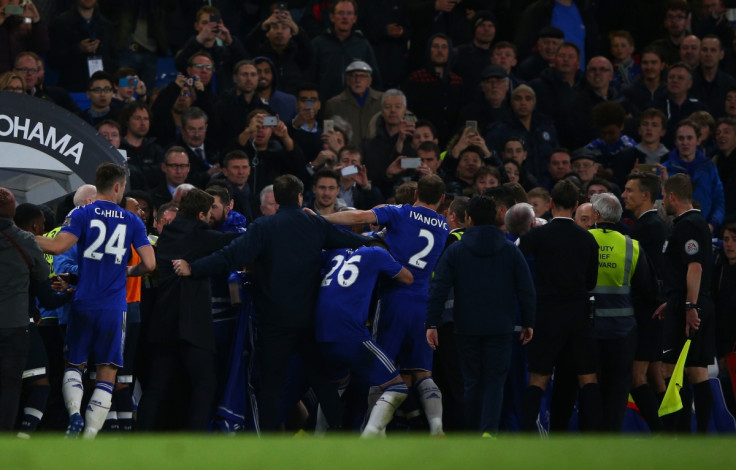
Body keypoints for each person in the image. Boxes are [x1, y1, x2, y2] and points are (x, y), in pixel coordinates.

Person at [172, 174, 370, 431]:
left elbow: (230, 256)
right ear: (300, 196)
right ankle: (341, 432)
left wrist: (193, 268)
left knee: (271, 384)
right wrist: (380, 241)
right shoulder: (314, 224)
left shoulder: (264, 227)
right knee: (320, 379)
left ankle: (267, 438)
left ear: (275, 198)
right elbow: (350, 240)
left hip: (274, 320)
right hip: (309, 318)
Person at [321, 174, 450, 436]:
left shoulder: (399, 212)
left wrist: (321, 219)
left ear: (416, 195)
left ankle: (373, 430)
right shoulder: (444, 226)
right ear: (443, 199)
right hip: (423, 303)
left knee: (382, 370)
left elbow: (359, 217)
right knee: (423, 371)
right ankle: (437, 426)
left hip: (393, 298)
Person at [35, 163, 155, 438]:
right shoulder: (132, 220)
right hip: (114, 307)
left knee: (74, 366)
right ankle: (89, 437)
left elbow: (56, 247)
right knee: (107, 371)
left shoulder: (82, 213)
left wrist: (20, 236)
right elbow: (149, 264)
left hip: (83, 302)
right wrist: (128, 271)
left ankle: (75, 413)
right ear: (117, 186)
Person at [426, 195, 535, 437]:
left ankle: (472, 431)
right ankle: (489, 432)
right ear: (497, 217)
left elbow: (438, 288)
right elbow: (526, 289)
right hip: (501, 325)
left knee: (472, 381)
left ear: (469, 219)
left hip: (466, 325)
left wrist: (432, 322)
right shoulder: (509, 249)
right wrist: (528, 322)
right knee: (495, 381)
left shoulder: (455, 250)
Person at [136, 189, 239, 431]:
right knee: (205, 384)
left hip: (163, 321)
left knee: (156, 388)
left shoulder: (169, 232)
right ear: (202, 214)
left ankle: (139, 438)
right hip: (191, 325)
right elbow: (231, 242)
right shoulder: (199, 234)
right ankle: (193, 441)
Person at [518, 180, 601, 433]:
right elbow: (591, 282)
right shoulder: (587, 240)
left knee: (539, 378)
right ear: (576, 206)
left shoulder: (535, 236)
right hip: (578, 315)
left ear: (551, 203)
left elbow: (518, 266)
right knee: (587, 377)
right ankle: (595, 438)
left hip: (546, 315)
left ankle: (523, 437)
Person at [314, 243, 414, 437]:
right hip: (350, 334)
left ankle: (318, 437)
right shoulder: (376, 253)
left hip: (320, 333)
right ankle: (368, 438)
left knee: (336, 386)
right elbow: (407, 278)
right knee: (397, 387)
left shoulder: (334, 252)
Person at [588, 192, 654, 432]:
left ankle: (591, 438)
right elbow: (646, 288)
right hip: (622, 330)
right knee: (618, 389)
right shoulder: (631, 245)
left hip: (589, 328)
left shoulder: (583, 239)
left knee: (590, 385)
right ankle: (612, 438)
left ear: (595, 214)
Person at [655, 173, 716, 433]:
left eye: (663, 196)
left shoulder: (687, 225)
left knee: (672, 370)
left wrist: (689, 306)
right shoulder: (694, 223)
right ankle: (695, 436)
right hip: (689, 301)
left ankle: (677, 434)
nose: (662, 202)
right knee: (695, 371)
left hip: (690, 306)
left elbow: (695, 268)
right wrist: (675, 300)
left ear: (671, 196)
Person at [621, 172, 669, 432]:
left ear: (645, 195)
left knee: (635, 377)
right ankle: (673, 429)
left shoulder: (644, 229)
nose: (624, 195)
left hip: (645, 312)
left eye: (629, 191)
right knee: (654, 375)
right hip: (655, 309)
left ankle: (660, 431)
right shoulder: (657, 225)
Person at [309, 0, 381, 102]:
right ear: (332, 17)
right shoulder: (318, 44)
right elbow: (308, 82)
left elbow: (375, 80)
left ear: (354, 18)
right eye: (341, 13)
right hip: (326, 109)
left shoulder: (363, 45)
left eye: (349, 13)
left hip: (357, 109)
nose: (345, 17)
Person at [662, 120, 725, 232]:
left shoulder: (709, 167)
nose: (685, 142)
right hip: (674, 231)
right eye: (681, 138)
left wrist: (712, 224)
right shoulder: (664, 169)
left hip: (705, 230)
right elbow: (659, 203)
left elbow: (719, 201)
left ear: (699, 140)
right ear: (675, 141)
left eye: (689, 138)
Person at [47, 0, 117, 92]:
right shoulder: (61, 23)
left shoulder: (107, 25)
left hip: (101, 90)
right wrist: (77, 49)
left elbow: (114, 60)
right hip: (72, 87)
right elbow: (52, 60)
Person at [323, 60, 383, 145]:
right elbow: (328, 135)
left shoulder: (383, 100)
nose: (358, 80)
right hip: (347, 155)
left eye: (362, 76)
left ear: (369, 81)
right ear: (347, 80)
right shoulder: (334, 104)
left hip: (377, 153)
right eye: (354, 76)